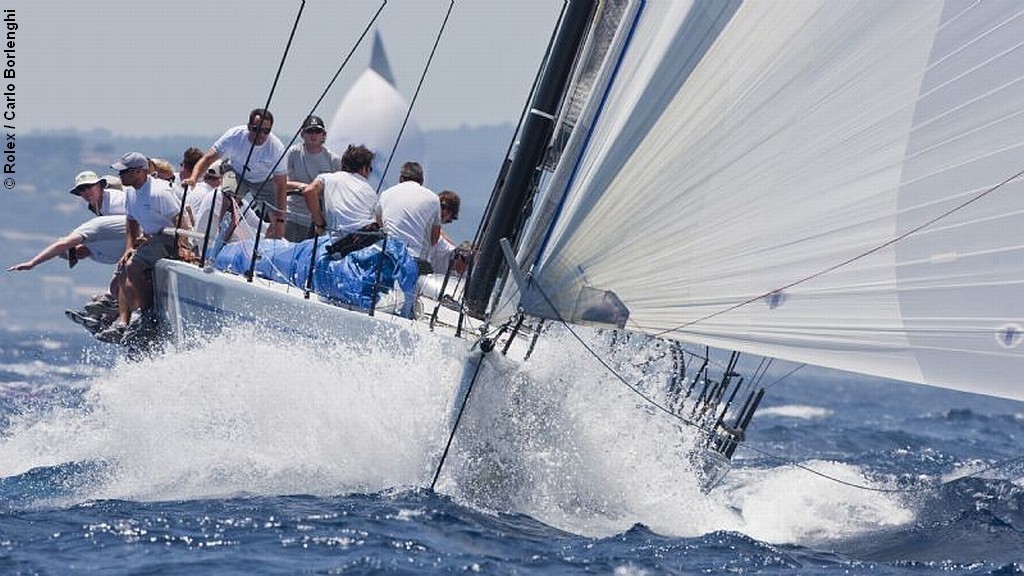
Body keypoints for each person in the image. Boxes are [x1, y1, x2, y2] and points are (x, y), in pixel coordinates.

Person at [95, 152, 188, 344]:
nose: (120, 175)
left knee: (133, 266)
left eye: (124, 171)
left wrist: (184, 246)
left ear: (139, 172)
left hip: (170, 237)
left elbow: (181, 221)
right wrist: (129, 247)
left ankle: (149, 316)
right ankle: (125, 322)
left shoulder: (159, 192)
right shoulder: (129, 191)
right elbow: (131, 220)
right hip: (151, 237)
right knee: (123, 267)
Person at [185, 108, 289, 239]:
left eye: (266, 131)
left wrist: (280, 215)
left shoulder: (276, 148)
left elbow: (281, 185)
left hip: (264, 180)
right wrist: (194, 178)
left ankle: (269, 249)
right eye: (256, 129)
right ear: (249, 126)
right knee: (229, 207)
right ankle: (221, 242)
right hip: (236, 173)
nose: (261, 135)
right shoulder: (234, 136)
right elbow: (208, 158)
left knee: (279, 223)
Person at [302, 144, 378, 256]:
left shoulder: (328, 178)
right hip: (368, 242)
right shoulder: (370, 191)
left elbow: (309, 191)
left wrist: (319, 223)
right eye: (370, 169)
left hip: (342, 244)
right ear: (363, 168)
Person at [285, 115, 342, 241]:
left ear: (324, 135)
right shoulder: (293, 153)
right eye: (310, 131)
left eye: (318, 131)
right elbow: (281, 183)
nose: (314, 135)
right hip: (294, 215)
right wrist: (300, 186)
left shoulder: (334, 160)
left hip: (321, 222)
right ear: (302, 134)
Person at [376, 161, 440, 271]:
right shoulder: (433, 199)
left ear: (401, 178)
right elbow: (434, 239)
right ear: (422, 181)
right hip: (415, 261)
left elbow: (379, 223)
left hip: (388, 257)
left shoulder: (385, 194)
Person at [426, 190, 468, 276]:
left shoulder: (442, 241)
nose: (444, 212)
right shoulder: (421, 223)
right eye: (443, 206)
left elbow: (454, 252)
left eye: (449, 210)